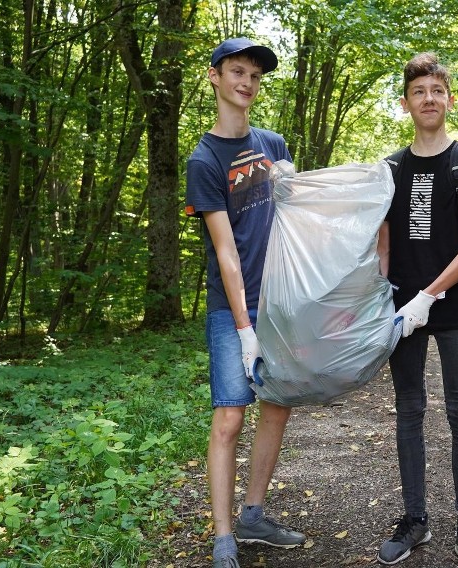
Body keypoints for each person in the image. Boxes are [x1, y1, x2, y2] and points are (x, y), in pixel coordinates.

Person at [375, 52, 458, 568]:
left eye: (437, 90)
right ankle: (415, 520)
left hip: (455, 310)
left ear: (450, 98)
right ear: (406, 103)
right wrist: (382, 299)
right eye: (419, 91)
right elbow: (382, 245)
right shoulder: (389, 169)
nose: (429, 99)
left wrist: (431, 293)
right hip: (402, 312)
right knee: (409, 411)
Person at [185, 38, 306, 568]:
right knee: (230, 416)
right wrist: (242, 327)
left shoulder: (273, 143)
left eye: (255, 76)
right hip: (231, 307)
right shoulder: (204, 160)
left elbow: (301, 222)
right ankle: (223, 536)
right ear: (215, 76)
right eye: (237, 72)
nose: (247, 83)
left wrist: (294, 184)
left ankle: (255, 515)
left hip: (281, 301)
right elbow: (227, 253)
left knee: (276, 406)